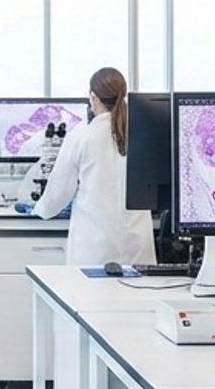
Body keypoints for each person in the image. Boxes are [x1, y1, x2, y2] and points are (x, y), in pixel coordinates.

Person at [27, 67, 154, 268]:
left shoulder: (81, 136)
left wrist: (39, 210)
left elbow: (58, 193)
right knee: (134, 298)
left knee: (90, 299)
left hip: (94, 250)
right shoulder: (143, 135)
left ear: (93, 97)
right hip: (137, 247)